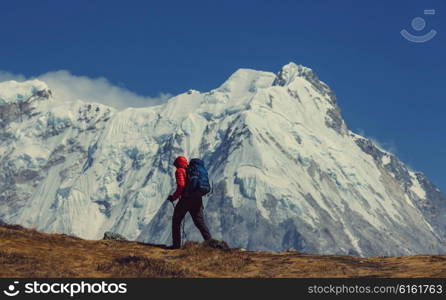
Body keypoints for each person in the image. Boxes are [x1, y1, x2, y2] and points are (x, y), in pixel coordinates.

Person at [167, 156, 212, 249]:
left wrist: (173, 197)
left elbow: (181, 186)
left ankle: (176, 246)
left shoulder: (180, 171)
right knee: (200, 223)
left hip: (186, 199)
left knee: (176, 221)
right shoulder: (191, 170)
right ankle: (211, 243)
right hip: (198, 199)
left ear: (177, 163)